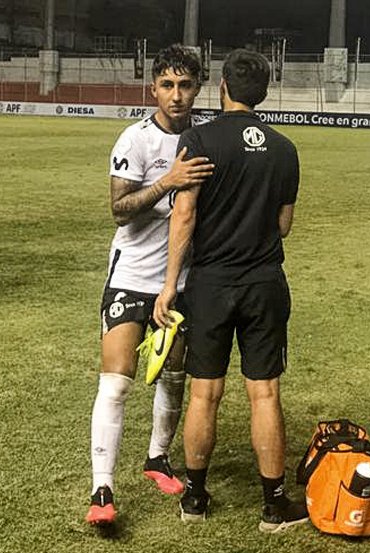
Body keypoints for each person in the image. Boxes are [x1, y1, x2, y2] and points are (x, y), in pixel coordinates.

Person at [152, 48, 307, 534]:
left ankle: (196, 497)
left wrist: (168, 285)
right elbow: (283, 225)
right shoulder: (284, 148)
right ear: (263, 92)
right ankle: (273, 504)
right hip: (264, 282)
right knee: (264, 393)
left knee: (205, 392)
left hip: (211, 283)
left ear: (221, 87)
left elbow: (184, 214)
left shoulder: (199, 139)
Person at [85, 44, 211, 527]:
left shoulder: (204, 139)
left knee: (174, 375)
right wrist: (169, 181)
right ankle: (102, 488)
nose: (176, 96)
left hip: (181, 282)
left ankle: (158, 459)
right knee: (117, 383)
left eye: (185, 86)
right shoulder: (135, 140)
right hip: (131, 277)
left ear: (197, 88)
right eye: (167, 86)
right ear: (153, 88)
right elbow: (119, 209)